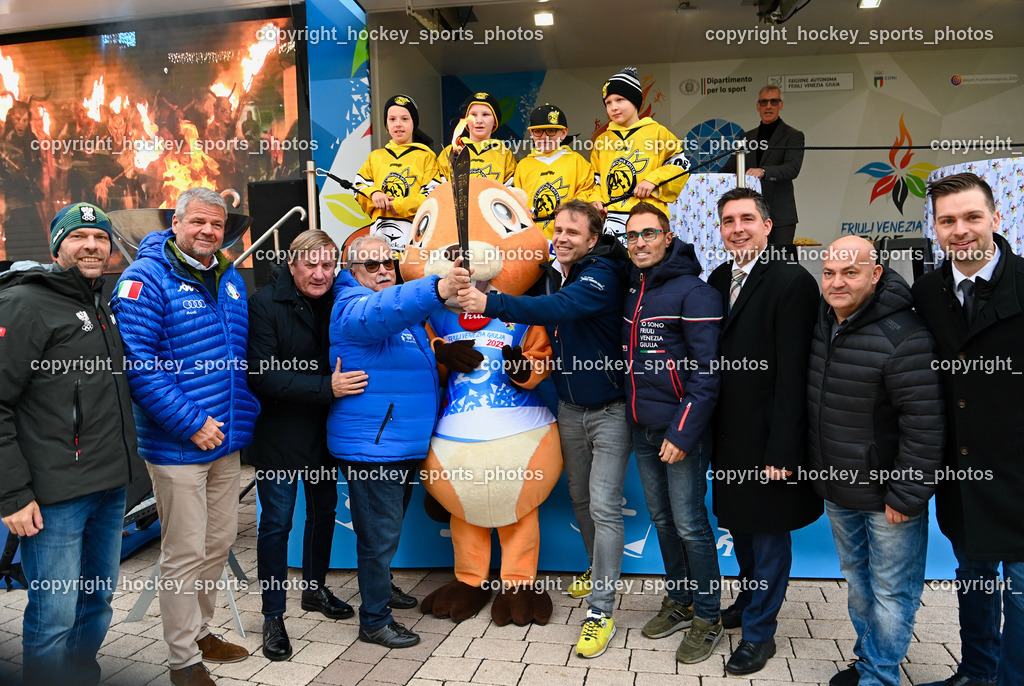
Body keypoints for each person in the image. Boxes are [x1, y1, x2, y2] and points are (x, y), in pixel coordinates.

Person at [456, 199, 631, 658]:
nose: (563, 237)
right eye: (558, 229)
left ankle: (601, 611)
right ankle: (596, 568)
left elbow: (561, 308)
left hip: (611, 410)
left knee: (605, 507)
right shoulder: (557, 271)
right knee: (580, 498)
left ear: (593, 238)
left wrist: (490, 302)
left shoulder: (603, 273)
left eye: (574, 231)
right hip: (570, 409)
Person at [112, 187, 259, 686]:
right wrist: (190, 422)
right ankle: (182, 661)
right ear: (175, 223)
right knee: (184, 551)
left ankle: (201, 631)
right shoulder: (144, 279)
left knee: (217, 544)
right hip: (179, 444)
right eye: (198, 222)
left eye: (216, 226)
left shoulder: (229, 276)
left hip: (227, 441)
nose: (208, 233)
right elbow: (139, 365)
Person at [0, 202, 139, 686]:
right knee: (54, 616)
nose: (92, 246)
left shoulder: (99, 301)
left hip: (107, 489)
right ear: (57, 245)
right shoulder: (25, 304)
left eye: (100, 238)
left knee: (96, 603)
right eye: (79, 237)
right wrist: (13, 496)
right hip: (54, 498)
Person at [807, 236, 944, 686]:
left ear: (876, 274)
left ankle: (880, 677)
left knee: (891, 592)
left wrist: (906, 494)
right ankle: (869, 661)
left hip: (889, 497)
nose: (837, 281)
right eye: (830, 272)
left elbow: (924, 424)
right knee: (859, 583)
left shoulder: (905, 335)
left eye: (850, 272)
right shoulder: (825, 322)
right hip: (839, 487)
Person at [327, 236, 468, 649]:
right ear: (351, 271)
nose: (384, 270)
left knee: (386, 531)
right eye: (371, 265)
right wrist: (437, 286)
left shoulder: (399, 309)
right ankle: (373, 620)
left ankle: (382, 590)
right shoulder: (351, 307)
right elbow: (381, 313)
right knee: (378, 537)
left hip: (399, 445)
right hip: (374, 449)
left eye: (388, 262)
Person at [912, 173, 1024, 686]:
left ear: (997, 220)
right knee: (974, 579)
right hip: (963, 473)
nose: (961, 230)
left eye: (971, 217)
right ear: (935, 228)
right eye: (948, 220)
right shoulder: (928, 291)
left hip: (1020, 472)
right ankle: (977, 673)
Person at [707, 188, 821, 676]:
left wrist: (784, 450)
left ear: (768, 225)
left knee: (769, 537)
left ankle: (760, 634)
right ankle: (749, 602)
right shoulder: (716, 278)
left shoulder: (792, 282)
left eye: (747, 219)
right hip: (728, 437)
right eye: (729, 220)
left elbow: (796, 374)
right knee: (741, 530)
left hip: (770, 439)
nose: (738, 228)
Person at [247, 230, 362, 661]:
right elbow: (262, 375)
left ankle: (314, 590)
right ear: (292, 264)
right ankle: (273, 614)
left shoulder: (340, 300)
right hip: (280, 431)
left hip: (326, 430)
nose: (320, 274)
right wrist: (326, 386)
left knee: (324, 513)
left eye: (328, 265)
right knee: (276, 523)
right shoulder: (263, 303)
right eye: (310, 265)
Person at [621, 202, 723, 664]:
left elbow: (707, 374)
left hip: (680, 435)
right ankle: (680, 601)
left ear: (667, 236)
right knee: (663, 522)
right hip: (643, 430)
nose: (639, 242)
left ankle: (708, 616)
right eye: (631, 236)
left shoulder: (694, 292)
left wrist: (682, 435)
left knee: (690, 525)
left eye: (648, 234)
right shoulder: (634, 290)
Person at [591, 67, 690, 240]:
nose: (613, 107)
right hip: (612, 220)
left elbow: (681, 165)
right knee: (614, 265)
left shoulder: (658, 133)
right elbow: (596, 178)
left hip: (648, 215)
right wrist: (596, 199)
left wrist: (653, 180)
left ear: (635, 101)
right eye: (608, 103)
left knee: (647, 264)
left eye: (620, 100)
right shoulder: (601, 140)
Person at [721, 85, 804, 258]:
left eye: (773, 101)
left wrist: (764, 171)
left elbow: (792, 168)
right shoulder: (746, 138)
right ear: (758, 106)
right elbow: (729, 168)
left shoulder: (793, 135)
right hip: (749, 217)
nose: (768, 106)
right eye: (764, 102)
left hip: (780, 215)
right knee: (751, 261)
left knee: (781, 262)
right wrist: (703, 178)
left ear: (780, 105)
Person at [353, 94, 440, 252]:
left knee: (412, 275)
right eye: (392, 119)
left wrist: (398, 205)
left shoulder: (426, 157)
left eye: (405, 119)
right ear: (386, 123)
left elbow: (433, 196)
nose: (398, 124)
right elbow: (358, 186)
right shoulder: (375, 157)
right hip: (380, 237)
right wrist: (374, 194)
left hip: (416, 239)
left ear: (414, 123)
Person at [513, 105, 600, 240]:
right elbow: (517, 199)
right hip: (531, 235)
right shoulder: (523, 165)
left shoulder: (577, 161)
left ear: (564, 133)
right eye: (538, 131)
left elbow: (588, 191)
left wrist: (568, 213)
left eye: (551, 131)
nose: (544, 137)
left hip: (568, 234)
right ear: (531, 134)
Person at [437, 91, 516, 186]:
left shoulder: (505, 154)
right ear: (465, 120)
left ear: (495, 121)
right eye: (473, 115)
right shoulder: (450, 152)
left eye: (485, 115)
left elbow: (510, 193)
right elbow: (438, 191)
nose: (479, 121)